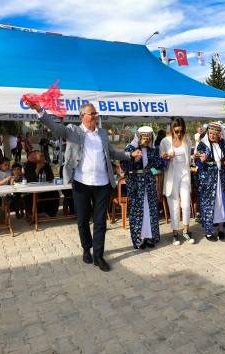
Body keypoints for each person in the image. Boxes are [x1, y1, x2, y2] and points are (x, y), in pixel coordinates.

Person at [31, 103, 139, 272]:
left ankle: (98, 256)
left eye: (96, 113)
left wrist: (129, 155)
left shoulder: (102, 133)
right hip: (81, 183)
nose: (95, 116)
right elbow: (55, 128)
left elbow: (112, 153)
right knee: (82, 220)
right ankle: (86, 249)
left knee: (100, 221)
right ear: (82, 116)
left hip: (103, 184)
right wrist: (39, 111)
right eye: (92, 113)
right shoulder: (73, 131)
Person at [122, 127, 166, 250]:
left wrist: (164, 158)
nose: (146, 141)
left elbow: (158, 166)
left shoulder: (152, 150)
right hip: (136, 185)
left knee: (150, 210)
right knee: (137, 211)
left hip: (149, 184)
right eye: (144, 138)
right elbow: (124, 166)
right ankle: (139, 239)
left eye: (149, 138)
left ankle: (150, 237)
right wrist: (133, 159)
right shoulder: (130, 148)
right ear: (139, 137)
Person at [195, 122, 225, 242]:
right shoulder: (202, 145)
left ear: (219, 134)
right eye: (210, 133)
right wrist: (201, 160)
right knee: (208, 204)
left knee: (222, 203)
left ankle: (221, 229)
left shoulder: (223, 144)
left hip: (222, 178)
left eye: (215, 134)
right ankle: (208, 231)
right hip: (208, 180)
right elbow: (197, 163)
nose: (212, 136)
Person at [159, 117, 195, 245]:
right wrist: (166, 157)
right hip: (171, 176)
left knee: (185, 204)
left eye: (181, 131)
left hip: (185, 174)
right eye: (176, 131)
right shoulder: (165, 142)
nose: (179, 134)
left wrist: (194, 157)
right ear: (172, 130)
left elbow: (189, 159)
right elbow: (159, 163)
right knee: (174, 205)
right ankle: (175, 232)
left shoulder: (187, 140)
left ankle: (186, 230)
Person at [24, 150, 59, 217]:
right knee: (29, 196)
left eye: (43, 156)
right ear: (34, 157)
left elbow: (51, 177)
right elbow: (30, 180)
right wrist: (38, 168)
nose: (43, 157)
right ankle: (34, 214)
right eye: (41, 156)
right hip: (34, 189)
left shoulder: (46, 165)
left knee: (55, 193)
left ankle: (51, 213)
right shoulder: (29, 165)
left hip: (45, 187)